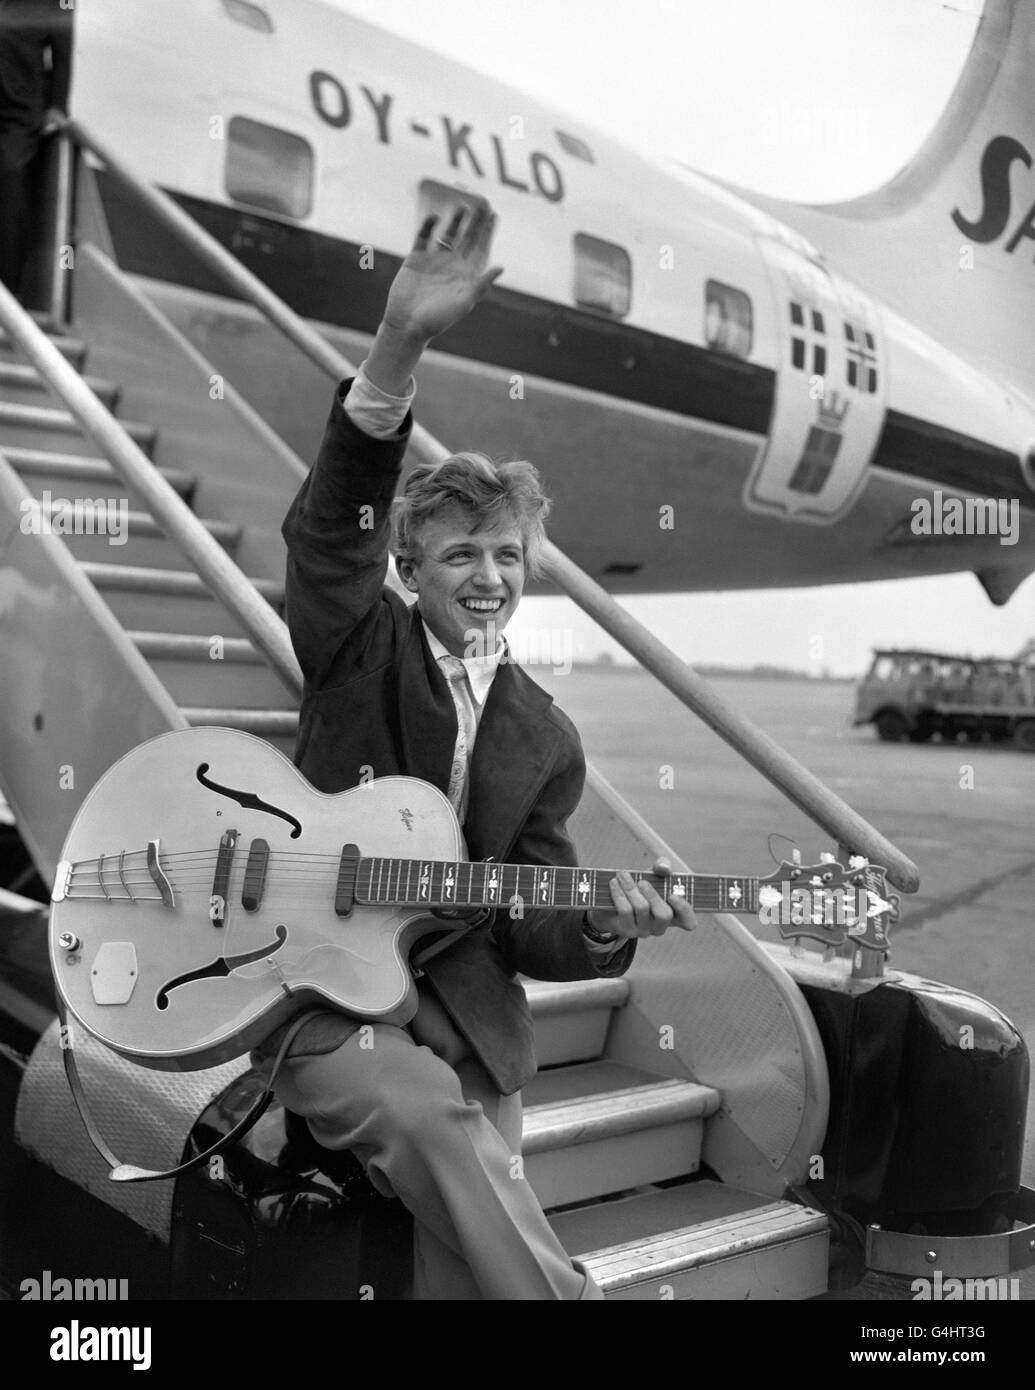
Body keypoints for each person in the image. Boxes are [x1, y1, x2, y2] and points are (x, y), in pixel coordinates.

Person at [253, 197, 695, 1300]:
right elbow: (331, 523)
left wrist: (602, 922)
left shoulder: (546, 733)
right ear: (410, 570)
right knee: (437, 1129)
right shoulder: (358, 640)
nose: (487, 576)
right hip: (321, 994)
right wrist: (400, 344)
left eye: (506, 555)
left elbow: (535, 921)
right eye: (458, 555)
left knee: (462, 1255)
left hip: (466, 1020)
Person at [0, 0, 73, 296]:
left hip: (20, 111)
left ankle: (8, 299)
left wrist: (57, 106)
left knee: (10, 197)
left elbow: (64, 48)